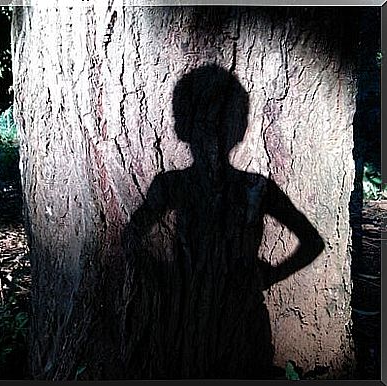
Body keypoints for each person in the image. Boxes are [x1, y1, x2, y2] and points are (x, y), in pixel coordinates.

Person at [121, 64, 325, 379]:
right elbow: (130, 239)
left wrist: (268, 276)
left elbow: (312, 242)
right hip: (193, 320)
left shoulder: (252, 188)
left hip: (234, 320)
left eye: (223, 120)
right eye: (208, 120)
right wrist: (167, 278)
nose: (214, 131)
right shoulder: (180, 186)